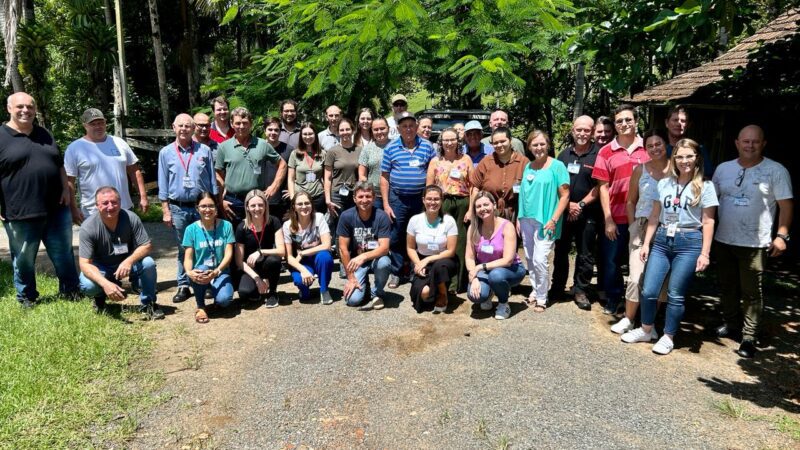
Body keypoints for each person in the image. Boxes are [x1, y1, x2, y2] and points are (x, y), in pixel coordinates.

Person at [621, 139, 718, 355]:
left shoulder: (706, 186)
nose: (684, 161)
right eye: (680, 156)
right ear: (674, 158)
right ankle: (646, 329)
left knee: (675, 294)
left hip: (689, 242)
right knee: (649, 290)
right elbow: (655, 215)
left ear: (697, 158)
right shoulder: (664, 183)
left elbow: (709, 221)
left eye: (689, 156)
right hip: (663, 239)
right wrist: (646, 243)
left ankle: (668, 336)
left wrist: (705, 253)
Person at [712, 125, 793, 358]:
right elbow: (711, 201)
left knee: (751, 292)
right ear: (737, 143)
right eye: (745, 141)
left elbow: (786, 205)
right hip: (724, 239)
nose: (750, 145)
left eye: (755, 142)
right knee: (727, 286)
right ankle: (731, 324)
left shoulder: (776, 170)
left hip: (755, 243)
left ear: (763, 144)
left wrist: (782, 235)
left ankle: (749, 336)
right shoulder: (723, 169)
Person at [0, 92, 80, 308]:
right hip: (20, 212)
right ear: (9, 108)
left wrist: (65, 188)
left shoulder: (45, 134)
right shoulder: (1, 137)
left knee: (64, 253)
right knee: (24, 258)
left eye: (30, 107)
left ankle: (71, 291)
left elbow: (59, 164)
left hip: (57, 208)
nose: (26, 110)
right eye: (20, 107)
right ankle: (26, 297)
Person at [610, 129, 670, 334]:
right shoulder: (640, 170)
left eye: (659, 144)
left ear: (666, 145)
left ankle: (649, 324)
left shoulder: (676, 170)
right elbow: (630, 201)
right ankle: (628, 318)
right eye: (650, 146)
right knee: (635, 276)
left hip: (666, 229)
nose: (655, 149)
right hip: (641, 226)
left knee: (659, 280)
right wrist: (632, 225)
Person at [592, 104, 649, 315]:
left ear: (636, 121)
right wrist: (608, 219)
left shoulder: (649, 148)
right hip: (616, 216)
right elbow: (603, 187)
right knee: (611, 260)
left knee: (642, 260)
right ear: (615, 126)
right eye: (619, 121)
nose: (624, 124)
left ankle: (641, 301)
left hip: (644, 217)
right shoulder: (606, 152)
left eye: (628, 120)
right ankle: (614, 298)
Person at [158, 113, 218, 303]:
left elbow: (212, 182)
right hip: (178, 208)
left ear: (193, 129)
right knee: (184, 247)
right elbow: (163, 183)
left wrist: (215, 206)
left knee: (206, 244)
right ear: (174, 128)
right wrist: (165, 210)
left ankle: (206, 282)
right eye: (180, 126)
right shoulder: (165, 153)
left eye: (188, 126)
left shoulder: (204, 151)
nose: (184, 129)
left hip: (202, 207)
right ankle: (184, 284)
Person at [78, 186, 162, 318]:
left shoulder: (131, 218)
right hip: (102, 267)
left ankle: (149, 303)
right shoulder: (88, 227)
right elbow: (84, 264)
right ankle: (100, 299)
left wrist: (128, 261)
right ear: (97, 205)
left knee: (148, 263)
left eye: (114, 202)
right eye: (105, 203)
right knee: (88, 285)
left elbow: (147, 245)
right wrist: (105, 284)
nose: (110, 207)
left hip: (127, 264)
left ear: (120, 202)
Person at [380, 111, 437, 287]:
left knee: (420, 234)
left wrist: (428, 196)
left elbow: (432, 172)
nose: (408, 129)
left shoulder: (427, 147)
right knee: (396, 235)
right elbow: (384, 177)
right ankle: (396, 272)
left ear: (417, 127)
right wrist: (386, 204)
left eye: (411, 125)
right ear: (398, 129)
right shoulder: (390, 148)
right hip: (397, 199)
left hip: (420, 199)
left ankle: (416, 270)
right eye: (404, 126)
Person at [552, 116, 601, 310]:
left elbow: (600, 187)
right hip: (564, 212)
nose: (582, 134)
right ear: (573, 130)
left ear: (592, 132)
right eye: (578, 130)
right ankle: (557, 287)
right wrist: (568, 205)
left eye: (586, 130)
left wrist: (579, 204)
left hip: (588, 213)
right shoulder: (564, 154)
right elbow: (556, 182)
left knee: (585, 254)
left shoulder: (599, 156)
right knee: (561, 251)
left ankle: (580, 290)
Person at [517, 130, 569, 311]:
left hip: (546, 220)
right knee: (530, 258)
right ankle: (535, 288)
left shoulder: (557, 166)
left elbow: (565, 196)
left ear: (548, 145)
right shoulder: (528, 167)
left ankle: (542, 297)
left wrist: (554, 219)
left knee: (540, 259)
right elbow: (523, 194)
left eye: (541, 144)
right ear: (529, 147)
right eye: (534, 145)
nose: (538, 148)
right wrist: (519, 217)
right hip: (526, 219)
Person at [65, 108, 148, 220]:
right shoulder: (75, 148)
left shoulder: (119, 143)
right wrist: (73, 208)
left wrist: (143, 197)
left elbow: (134, 171)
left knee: (127, 238)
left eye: (101, 123)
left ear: (105, 123)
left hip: (123, 209)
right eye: (93, 124)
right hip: (93, 212)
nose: (98, 126)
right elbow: (69, 181)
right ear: (85, 126)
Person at [215, 106, 285, 227]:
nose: (241, 126)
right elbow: (218, 174)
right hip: (233, 202)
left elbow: (282, 164)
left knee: (256, 235)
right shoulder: (224, 147)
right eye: (238, 123)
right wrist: (221, 201)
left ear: (251, 124)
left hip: (256, 199)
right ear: (232, 124)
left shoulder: (262, 144)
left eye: (245, 123)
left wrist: (273, 187)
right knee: (235, 237)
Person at [465, 191, 526, 320]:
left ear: (494, 205)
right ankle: (489, 292)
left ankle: (503, 303)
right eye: (478, 206)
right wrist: (474, 277)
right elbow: (469, 257)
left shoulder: (507, 226)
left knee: (496, 276)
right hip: (485, 270)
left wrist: (480, 267)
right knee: (475, 296)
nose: (483, 209)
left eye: (486, 205)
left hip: (511, 269)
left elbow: (508, 260)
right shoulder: (473, 227)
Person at [425, 128, 473, 292]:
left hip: (462, 203)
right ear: (440, 142)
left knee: (460, 242)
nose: (449, 143)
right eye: (445, 140)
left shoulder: (466, 159)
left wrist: (471, 209)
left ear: (458, 141)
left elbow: (473, 186)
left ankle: (458, 284)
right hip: (443, 203)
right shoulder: (435, 161)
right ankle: (442, 281)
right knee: (442, 241)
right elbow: (430, 187)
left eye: (452, 139)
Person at [337, 181, 392, 310]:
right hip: (356, 262)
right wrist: (351, 278)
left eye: (368, 196)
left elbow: (384, 248)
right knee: (353, 301)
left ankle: (377, 292)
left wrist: (364, 256)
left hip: (375, 259)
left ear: (373, 198)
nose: (364, 200)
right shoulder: (346, 216)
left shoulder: (382, 216)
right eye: (360, 196)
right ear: (354, 198)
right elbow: (342, 248)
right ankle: (364, 286)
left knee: (385, 262)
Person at [182, 192, 235, 323]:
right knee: (202, 268)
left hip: (220, 272)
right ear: (197, 208)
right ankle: (200, 306)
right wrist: (189, 272)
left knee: (225, 301)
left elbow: (229, 254)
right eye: (203, 206)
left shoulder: (226, 226)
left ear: (216, 208)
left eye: (211, 206)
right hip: (200, 273)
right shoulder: (190, 229)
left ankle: (217, 297)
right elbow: (188, 258)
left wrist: (217, 271)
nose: (207, 210)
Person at [406, 185, 458, 313]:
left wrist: (428, 260)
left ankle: (442, 293)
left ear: (442, 200)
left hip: (444, 259)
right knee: (425, 294)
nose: (432, 202)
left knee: (439, 267)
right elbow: (410, 248)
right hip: (421, 260)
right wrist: (418, 263)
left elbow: (451, 251)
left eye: (436, 199)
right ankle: (436, 287)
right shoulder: (415, 220)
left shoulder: (449, 221)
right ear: (423, 200)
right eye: (429, 199)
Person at [235, 190, 284, 308]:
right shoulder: (242, 227)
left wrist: (260, 252)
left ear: (266, 206)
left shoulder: (274, 221)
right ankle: (258, 286)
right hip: (250, 267)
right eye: (253, 205)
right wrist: (257, 279)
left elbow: (282, 251)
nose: (257, 208)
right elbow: (239, 261)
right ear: (247, 207)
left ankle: (273, 293)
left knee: (274, 260)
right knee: (245, 292)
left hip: (267, 263)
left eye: (261, 205)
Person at [283, 191, 334, 304]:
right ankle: (304, 290)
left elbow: (327, 245)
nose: (304, 206)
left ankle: (324, 289)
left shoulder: (319, 217)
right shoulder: (288, 225)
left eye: (307, 203)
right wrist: (303, 270)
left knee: (325, 256)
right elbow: (289, 257)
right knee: (302, 288)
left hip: (317, 257)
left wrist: (303, 253)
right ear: (294, 207)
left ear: (312, 205)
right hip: (301, 262)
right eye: (300, 204)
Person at [471, 127, 529, 221]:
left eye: (503, 141)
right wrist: (472, 211)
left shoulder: (523, 163)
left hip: (516, 215)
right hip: (488, 215)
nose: (499, 145)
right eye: (495, 143)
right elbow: (475, 188)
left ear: (510, 141)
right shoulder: (486, 162)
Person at [324, 117, 361, 230]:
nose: (345, 132)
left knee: (354, 223)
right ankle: (339, 247)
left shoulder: (359, 150)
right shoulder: (332, 151)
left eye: (347, 129)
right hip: (337, 194)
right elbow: (327, 177)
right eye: (342, 130)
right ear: (338, 132)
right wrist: (328, 199)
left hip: (354, 193)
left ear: (353, 130)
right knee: (339, 225)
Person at [664, 105, 714, 177]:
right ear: (666, 123)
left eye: (683, 121)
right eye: (675, 120)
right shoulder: (659, 150)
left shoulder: (699, 149)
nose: (678, 124)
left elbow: (706, 175)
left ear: (688, 125)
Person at [287, 122, 327, 213]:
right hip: (300, 198)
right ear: (301, 136)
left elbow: (326, 177)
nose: (308, 137)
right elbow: (291, 179)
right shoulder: (294, 154)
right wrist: (293, 198)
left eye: (310, 134)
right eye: (305, 134)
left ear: (315, 135)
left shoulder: (323, 154)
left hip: (318, 197)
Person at [263, 116, 293, 222]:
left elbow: (295, 174)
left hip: (282, 201)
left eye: (276, 130)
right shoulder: (258, 148)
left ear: (280, 132)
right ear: (264, 130)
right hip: (262, 199)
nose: (273, 132)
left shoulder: (289, 150)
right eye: (270, 129)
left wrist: (293, 190)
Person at [358, 117, 390, 210]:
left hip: (394, 195)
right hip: (375, 196)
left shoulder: (396, 146)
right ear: (372, 131)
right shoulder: (367, 149)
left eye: (382, 128)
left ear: (388, 128)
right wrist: (369, 190)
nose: (379, 132)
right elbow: (361, 174)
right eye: (376, 129)